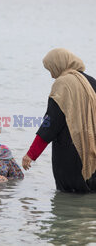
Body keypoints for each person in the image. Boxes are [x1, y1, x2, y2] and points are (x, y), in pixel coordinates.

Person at [22, 48, 96, 193]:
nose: (51, 75)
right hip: (93, 152)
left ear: (59, 64)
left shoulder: (62, 84)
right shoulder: (91, 82)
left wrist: (31, 154)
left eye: (51, 69)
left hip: (71, 155)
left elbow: (50, 123)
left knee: (70, 199)